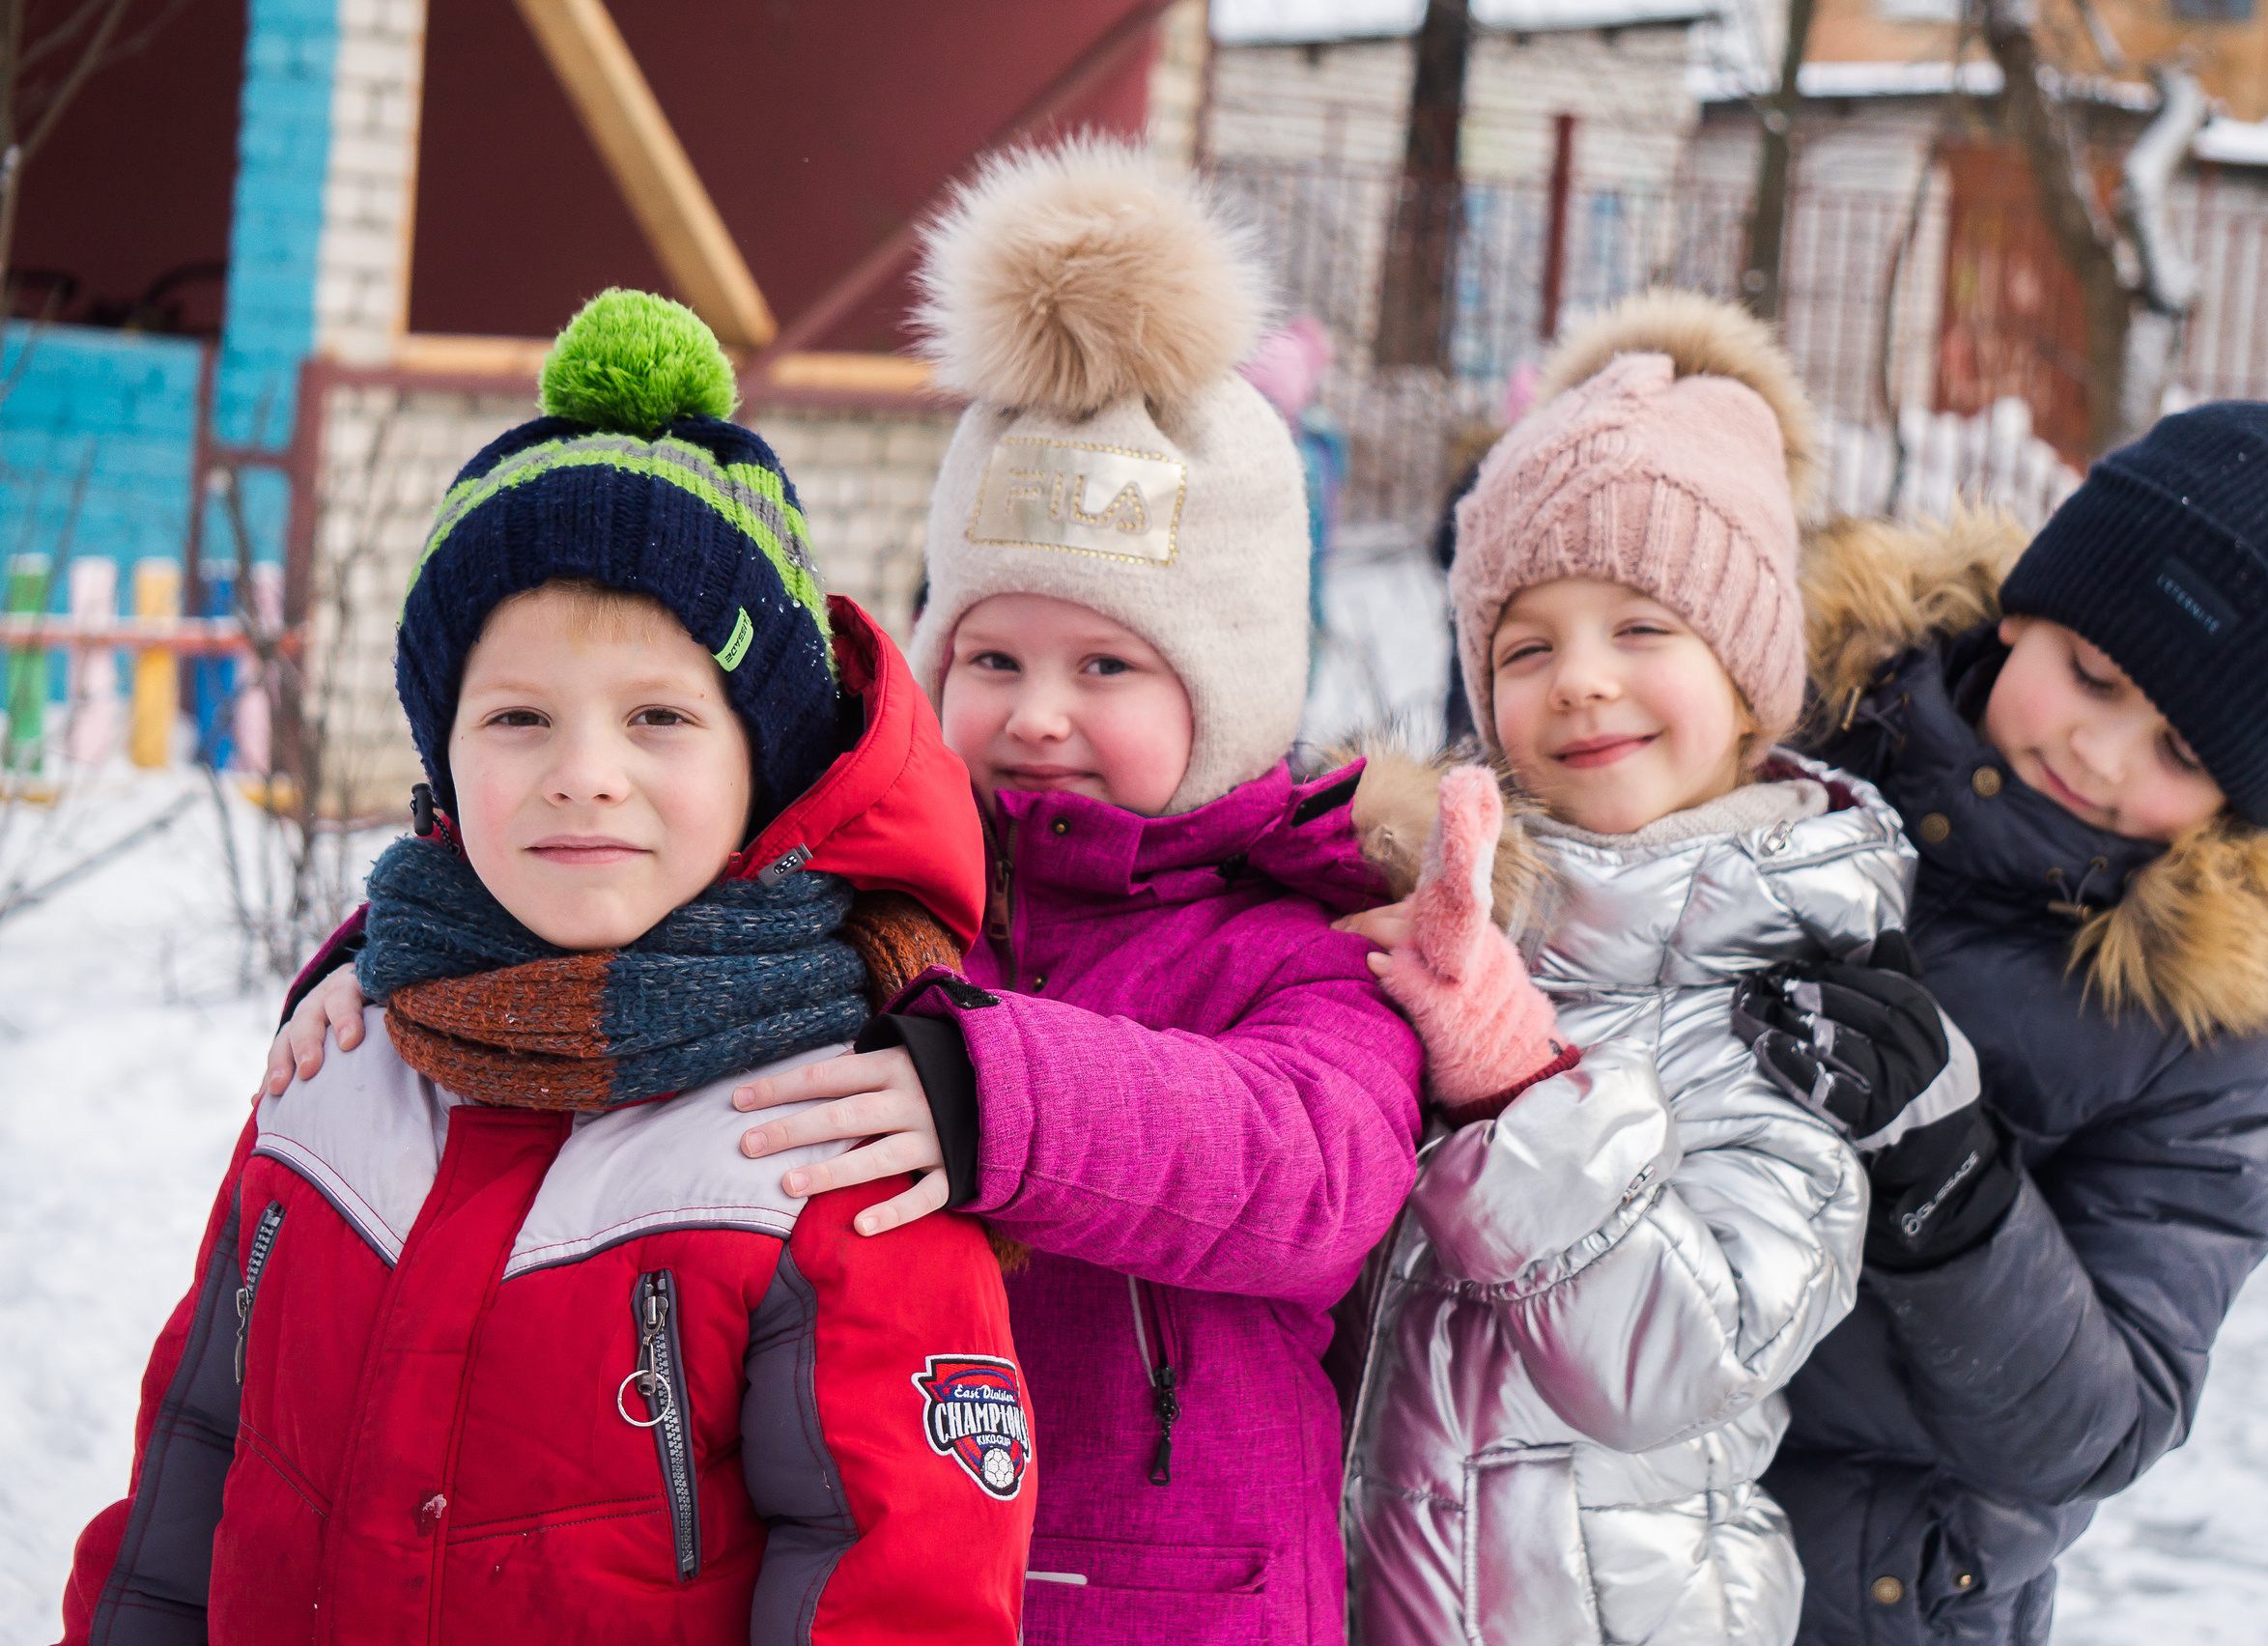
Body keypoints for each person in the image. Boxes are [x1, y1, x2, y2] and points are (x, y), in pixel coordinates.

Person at [266, 143, 1425, 1644]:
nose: (1040, 714)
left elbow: (1318, 1175)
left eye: (1109, 666)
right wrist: (400, 960)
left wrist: (996, 1095)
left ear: (1240, 689)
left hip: (1175, 1608)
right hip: (860, 1572)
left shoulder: (1296, 939)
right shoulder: (870, 891)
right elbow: (635, 906)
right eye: (993, 658)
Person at [62, 291, 1033, 1645]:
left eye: (659, 718)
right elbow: (186, 1488)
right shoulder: (336, 1065)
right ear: (443, 758)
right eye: (519, 716)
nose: (584, 774)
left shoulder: (835, 1142)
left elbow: (896, 1592)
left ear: (767, 765)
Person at [1333, 290, 1985, 1643]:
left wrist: (1518, 1089)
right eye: (1527, 647)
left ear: (1748, 680)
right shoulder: (1439, 920)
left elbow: (1679, 1362)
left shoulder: (1796, 1007)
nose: (1580, 679)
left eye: (1641, 629)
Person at [1749, 402, 2268, 1643]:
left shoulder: (2212, 1031)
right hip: (1573, 1503)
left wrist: (1946, 1180)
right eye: (2093, 676)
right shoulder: (1783, 731)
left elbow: (2095, 1429)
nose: (2101, 753)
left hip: (1855, 1596)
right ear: (2025, 609)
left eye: (2180, 748)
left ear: (2243, 795)